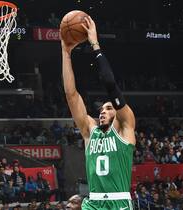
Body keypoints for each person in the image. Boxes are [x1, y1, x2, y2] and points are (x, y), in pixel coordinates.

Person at [61, 16, 136, 210]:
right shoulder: (89, 131)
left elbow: (110, 84)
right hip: (93, 202)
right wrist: (66, 52)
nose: (103, 111)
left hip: (118, 202)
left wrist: (94, 43)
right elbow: (71, 95)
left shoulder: (125, 128)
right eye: (101, 109)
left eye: (108, 108)